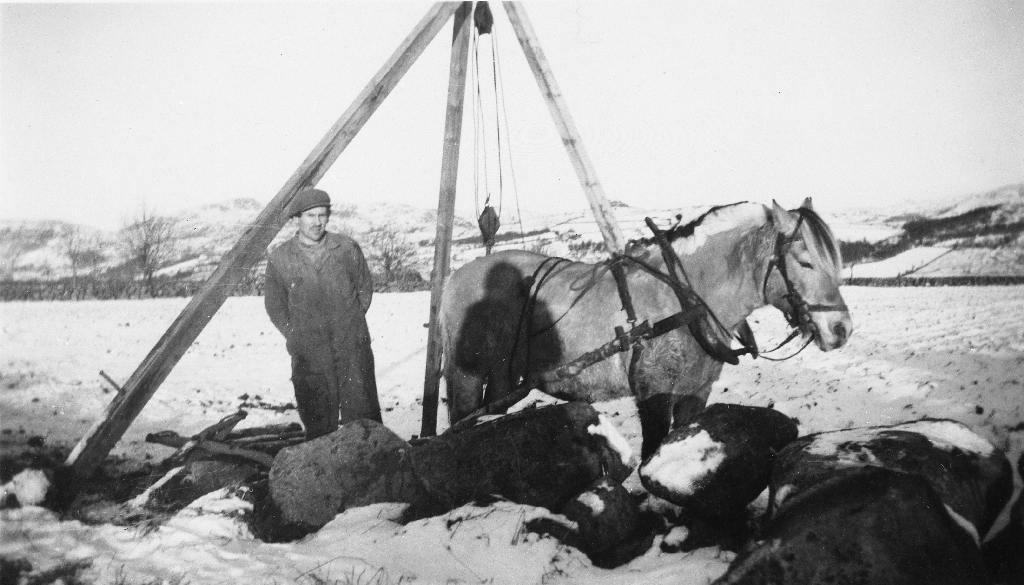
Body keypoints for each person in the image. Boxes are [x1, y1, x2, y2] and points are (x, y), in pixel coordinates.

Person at [264, 187, 381, 439]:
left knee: (364, 420)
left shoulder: (346, 247)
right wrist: (296, 334)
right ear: (296, 219)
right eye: (310, 216)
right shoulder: (281, 257)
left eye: (322, 215)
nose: (317, 222)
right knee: (317, 422)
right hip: (309, 351)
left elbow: (364, 288)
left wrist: (349, 321)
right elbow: (275, 305)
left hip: (351, 345)